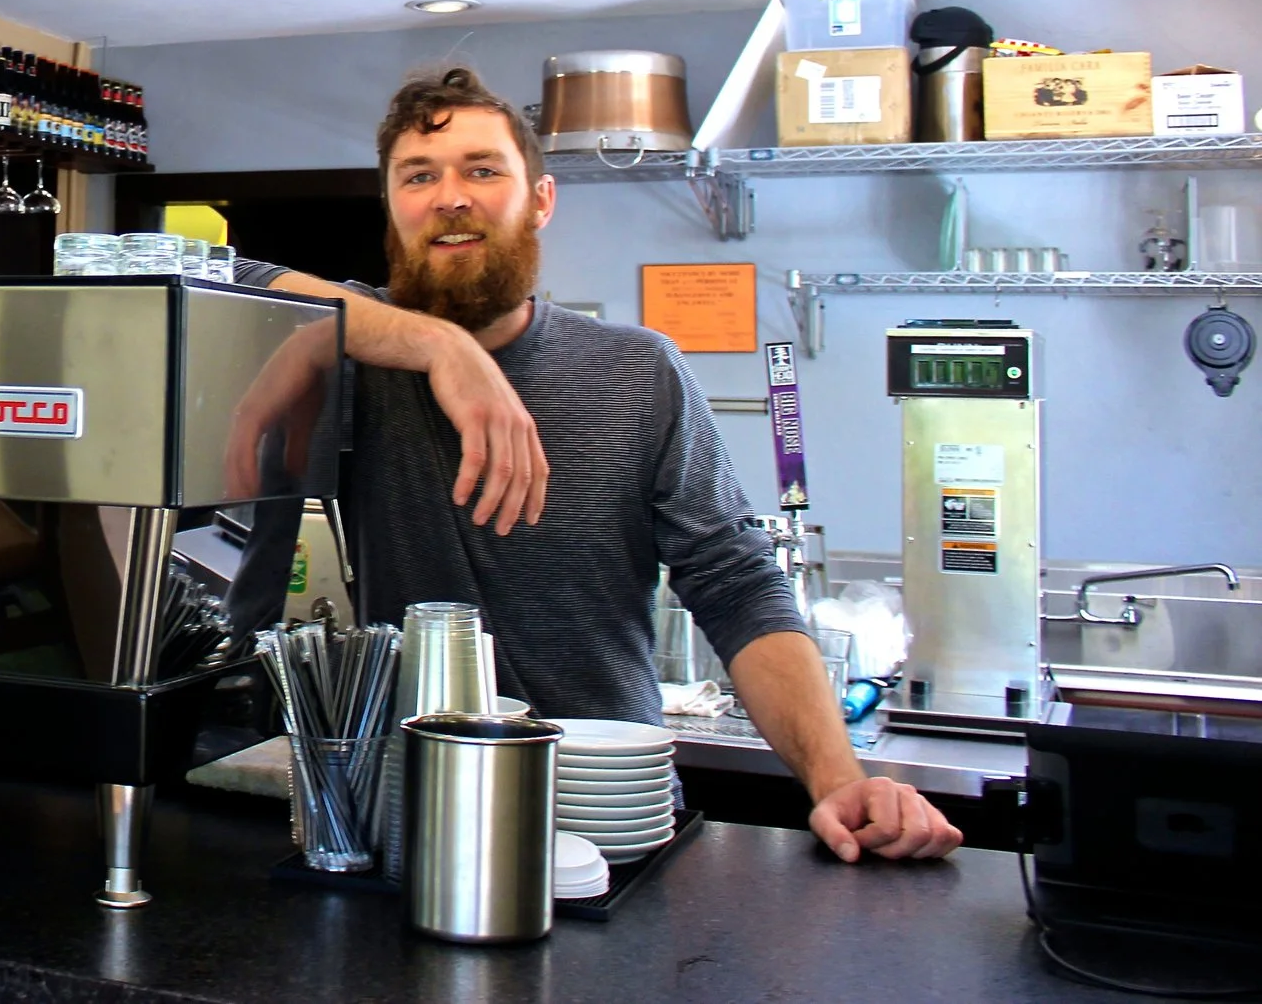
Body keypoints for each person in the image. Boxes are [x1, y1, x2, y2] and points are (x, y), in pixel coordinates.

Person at [231, 67, 960, 864]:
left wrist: (837, 778)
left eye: (483, 169)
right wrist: (441, 347)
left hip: (612, 812)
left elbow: (738, 585)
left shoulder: (637, 372)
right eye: (419, 176)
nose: (451, 197)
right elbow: (215, 276)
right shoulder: (352, 356)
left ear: (541, 199)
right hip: (422, 822)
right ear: (392, 207)